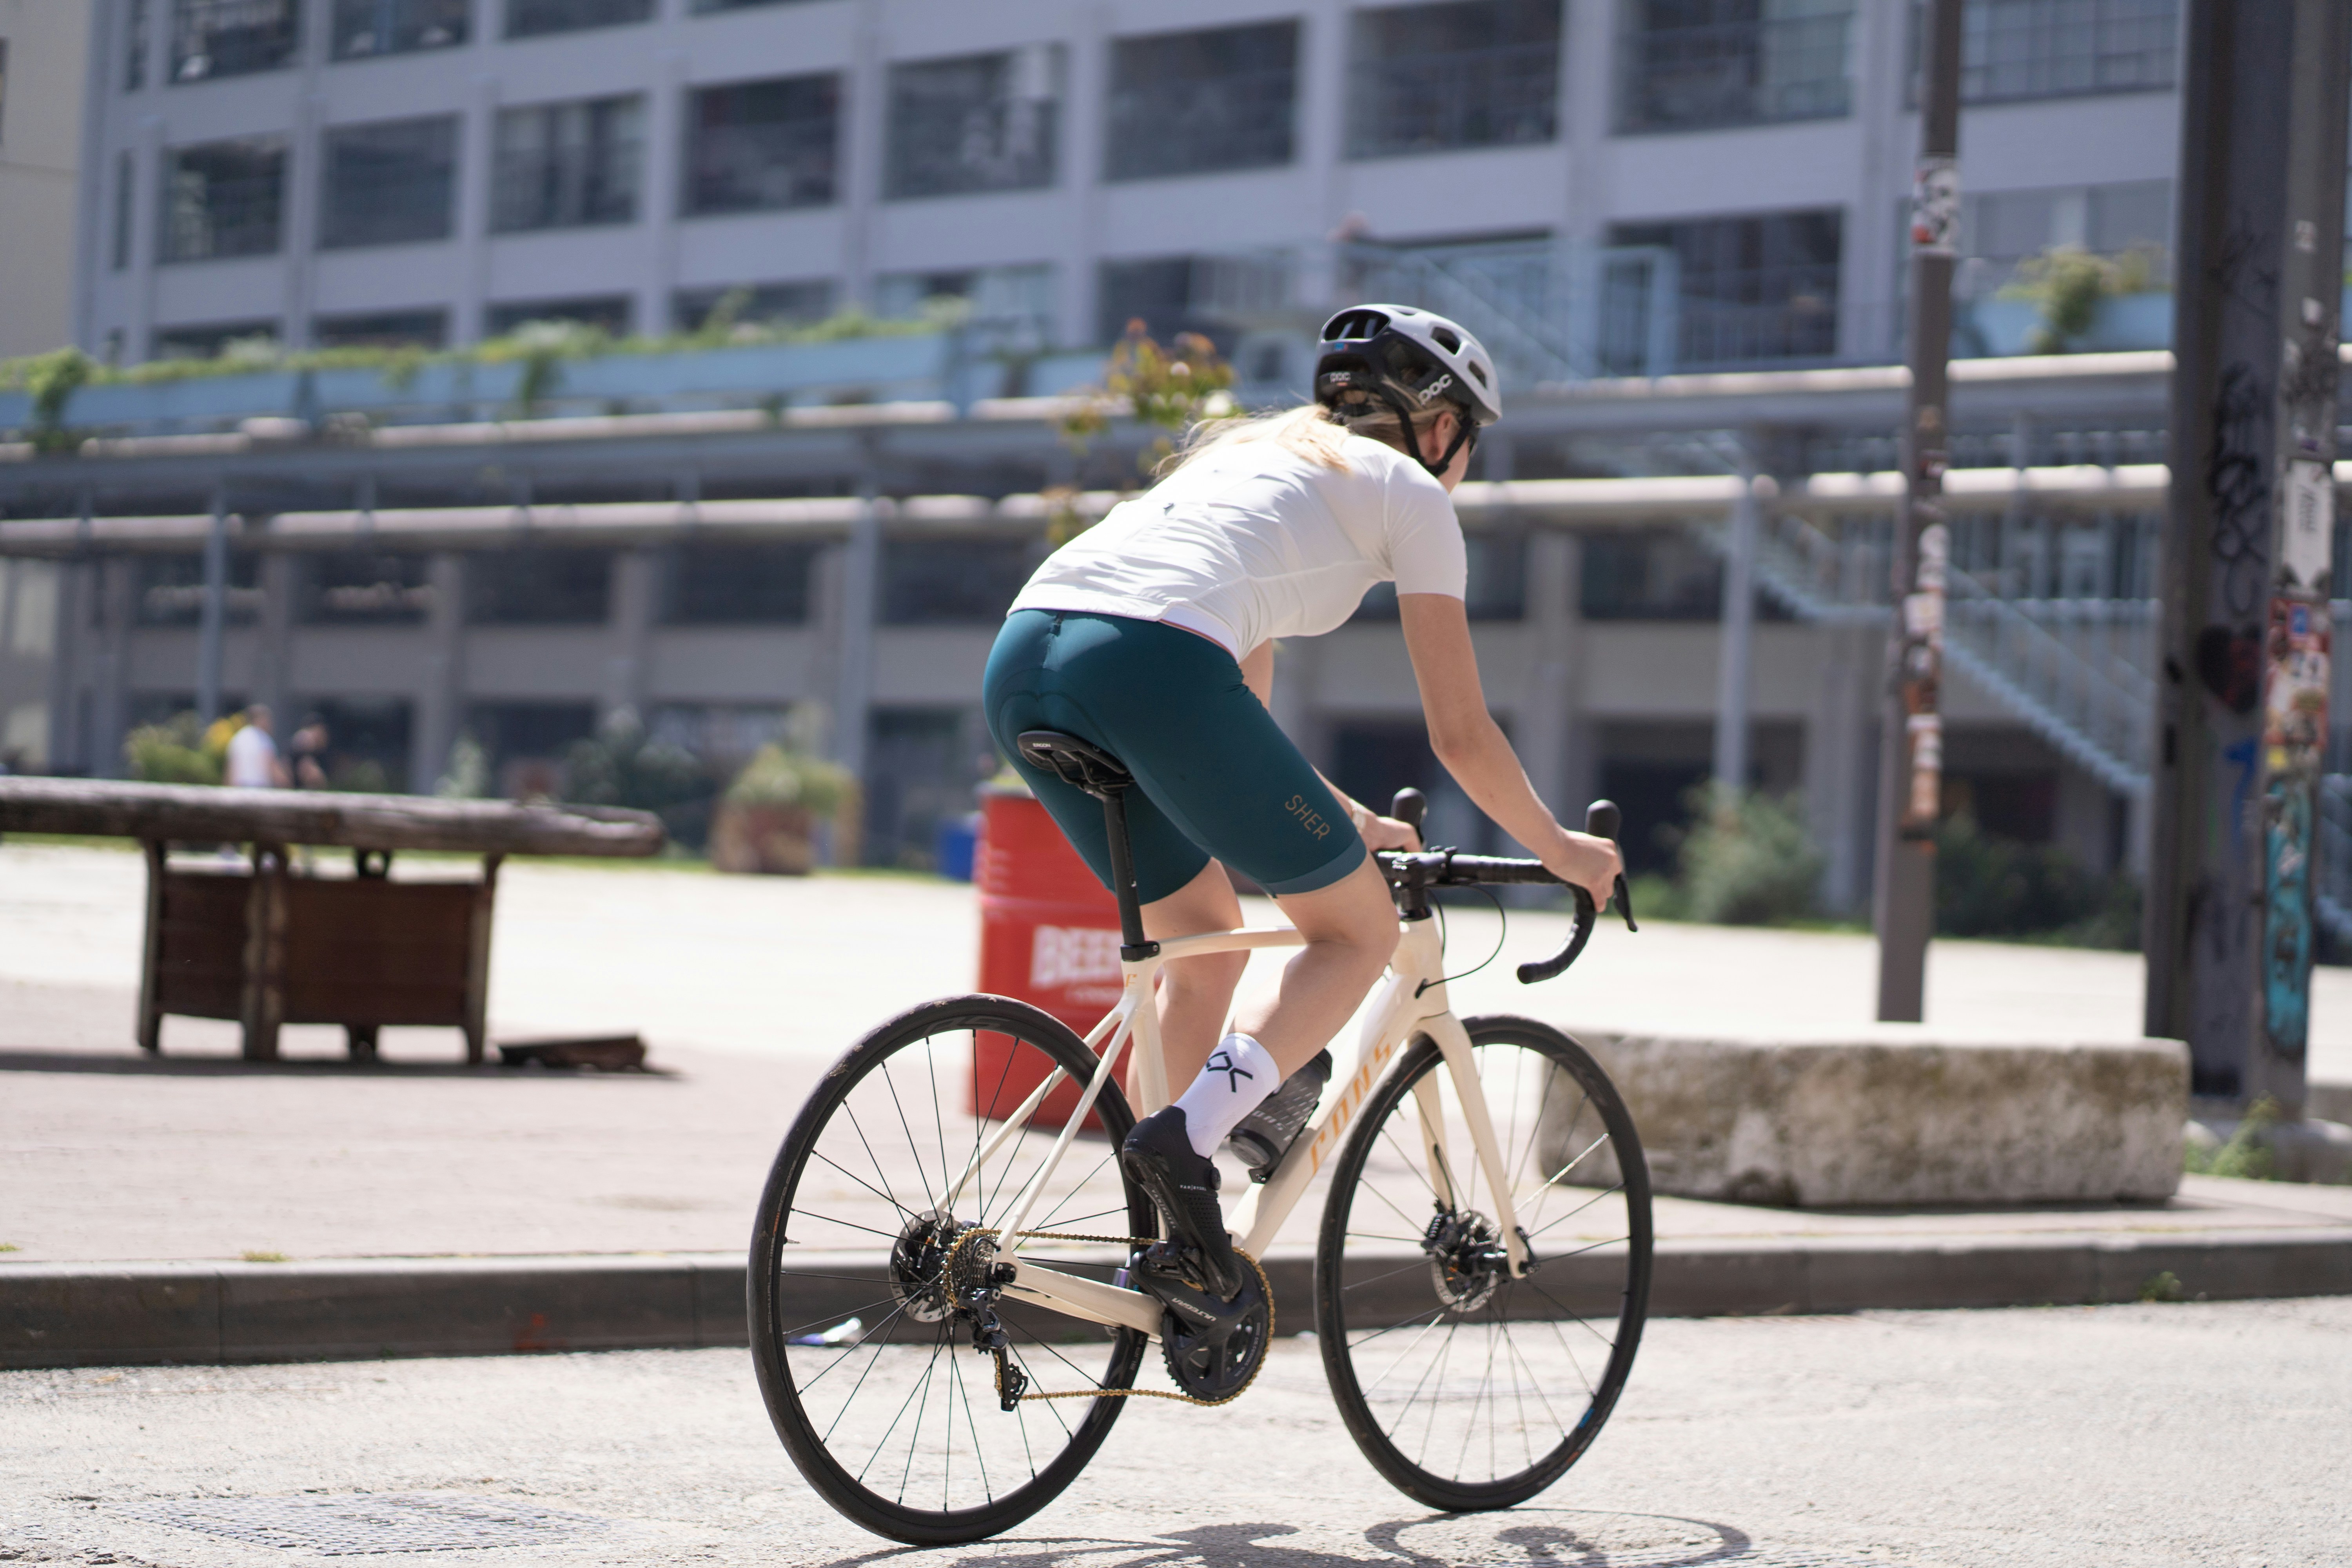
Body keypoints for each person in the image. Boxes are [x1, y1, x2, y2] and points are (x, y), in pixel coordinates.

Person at [983, 303, 1622, 1297]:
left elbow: (1236, 724)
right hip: (1157, 662)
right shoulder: (1411, 493)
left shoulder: (1242, 466)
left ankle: (1169, 1254)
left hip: (1026, 653)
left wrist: (1350, 820)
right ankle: (1186, 1139)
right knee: (1356, 931)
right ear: (1443, 427)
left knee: (1202, 940)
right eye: (1470, 442)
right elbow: (1461, 733)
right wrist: (1561, 848)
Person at [222, 705, 290, 789]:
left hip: (239, 790)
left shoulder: (238, 738)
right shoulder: (263, 738)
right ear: (260, 719)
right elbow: (271, 766)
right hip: (259, 790)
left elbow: (229, 771)